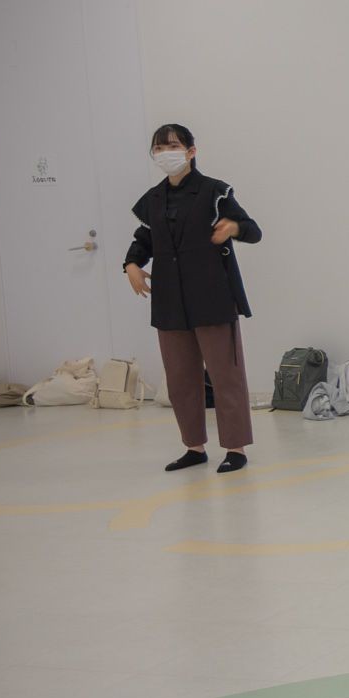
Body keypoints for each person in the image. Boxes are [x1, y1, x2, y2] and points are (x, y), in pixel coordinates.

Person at [124, 124, 261, 473]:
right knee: (181, 381)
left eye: (172, 146)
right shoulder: (153, 199)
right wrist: (131, 264)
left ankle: (235, 448)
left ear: (191, 151)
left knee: (226, 376)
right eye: (158, 148)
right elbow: (143, 240)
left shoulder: (214, 192)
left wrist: (233, 228)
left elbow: (253, 230)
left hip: (212, 297)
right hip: (170, 302)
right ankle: (194, 447)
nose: (164, 153)